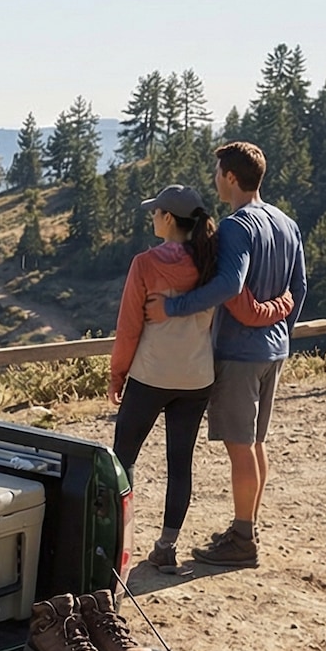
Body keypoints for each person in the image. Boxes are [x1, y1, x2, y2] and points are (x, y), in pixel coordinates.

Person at [111, 184, 296, 573]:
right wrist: (283, 305)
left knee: (123, 458)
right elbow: (244, 304)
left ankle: (116, 543)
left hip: (151, 373)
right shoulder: (211, 262)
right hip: (196, 378)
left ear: (167, 219)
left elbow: (129, 327)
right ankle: (166, 547)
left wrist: (117, 373)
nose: (152, 217)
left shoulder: (145, 264)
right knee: (180, 463)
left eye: (155, 211)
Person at [148, 142, 307, 567]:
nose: (215, 178)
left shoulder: (237, 227)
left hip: (238, 351)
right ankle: (245, 527)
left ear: (231, 178)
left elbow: (230, 286)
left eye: (218, 172)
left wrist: (173, 307)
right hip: (273, 350)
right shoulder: (286, 223)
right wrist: (279, 334)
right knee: (255, 444)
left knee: (239, 446)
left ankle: (242, 541)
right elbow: (301, 287)